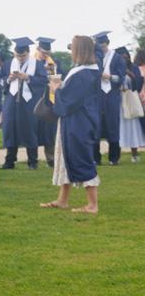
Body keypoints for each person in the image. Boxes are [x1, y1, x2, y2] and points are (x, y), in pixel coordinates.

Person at [41, 36, 102, 213]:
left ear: (80, 50)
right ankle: (62, 200)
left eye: (73, 48)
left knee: (81, 157)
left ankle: (92, 205)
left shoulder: (84, 74)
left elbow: (69, 102)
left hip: (79, 123)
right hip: (74, 121)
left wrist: (56, 89)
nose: (71, 52)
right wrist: (58, 86)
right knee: (66, 157)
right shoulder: (82, 70)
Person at [1, 37, 48, 170]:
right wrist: (9, 79)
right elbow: (0, 80)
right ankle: (9, 161)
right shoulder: (8, 63)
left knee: (29, 129)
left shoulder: (37, 64)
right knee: (10, 128)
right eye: (17, 55)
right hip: (12, 100)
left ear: (28, 53)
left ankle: (32, 161)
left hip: (29, 102)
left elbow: (44, 81)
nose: (20, 58)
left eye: (22, 56)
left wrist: (28, 78)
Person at [93, 32, 126, 166]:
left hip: (112, 94)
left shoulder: (117, 58)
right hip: (98, 95)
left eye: (102, 44)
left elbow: (121, 77)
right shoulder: (94, 58)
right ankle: (96, 158)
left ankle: (114, 158)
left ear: (107, 43)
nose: (101, 47)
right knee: (96, 125)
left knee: (113, 124)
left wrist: (110, 77)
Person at [34, 38, 62, 167]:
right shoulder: (31, 61)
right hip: (33, 99)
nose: (45, 55)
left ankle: (51, 159)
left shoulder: (52, 64)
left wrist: (49, 72)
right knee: (34, 129)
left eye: (47, 52)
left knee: (49, 131)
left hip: (48, 100)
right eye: (43, 52)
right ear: (38, 49)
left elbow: (55, 81)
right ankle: (32, 159)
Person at [116, 47, 144, 161]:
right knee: (118, 128)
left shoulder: (134, 68)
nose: (125, 57)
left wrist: (130, 74)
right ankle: (115, 156)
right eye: (122, 56)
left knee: (133, 127)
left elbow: (138, 83)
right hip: (118, 102)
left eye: (126, 55)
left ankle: (134, 153)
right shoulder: (115, 69)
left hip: (130, 101)